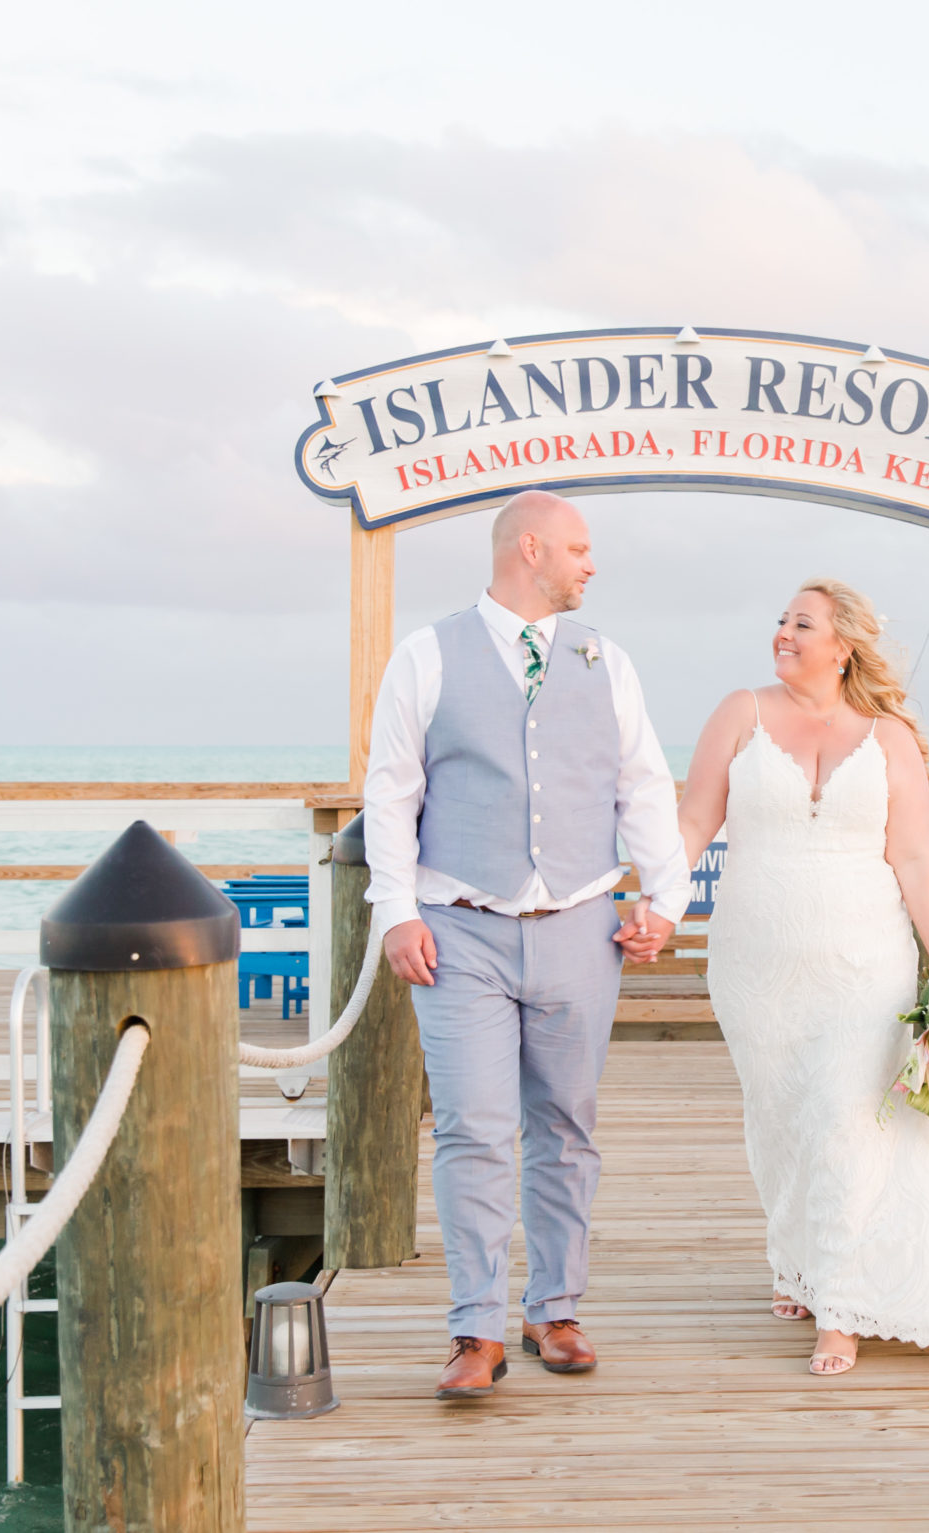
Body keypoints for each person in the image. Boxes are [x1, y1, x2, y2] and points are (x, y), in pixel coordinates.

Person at [677, 577, 929, 1376]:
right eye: (781, 620)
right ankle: (795, 1256)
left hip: (864, 960)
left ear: (845, 645)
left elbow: (909, 856)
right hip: (754, 960)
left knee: (844, 1116)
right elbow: (695, 819)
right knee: (780, 1113)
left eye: (803, 623)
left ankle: (843, 1300)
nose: (783, 633)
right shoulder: (740, 713)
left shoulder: (890, 737)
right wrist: (652, 904)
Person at [364, 490, 688, 1399]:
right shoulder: (427, 654)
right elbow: (389, 792)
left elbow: (644, 785)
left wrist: (665, 897)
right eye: (579, 549)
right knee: (473, 1130)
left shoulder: (607, 660)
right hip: (459, 927)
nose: (592, 564)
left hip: (583, 925)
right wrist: (397, 910)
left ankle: (555, 1308)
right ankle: (475, 1327)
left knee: (567, 1128)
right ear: (532, 549)